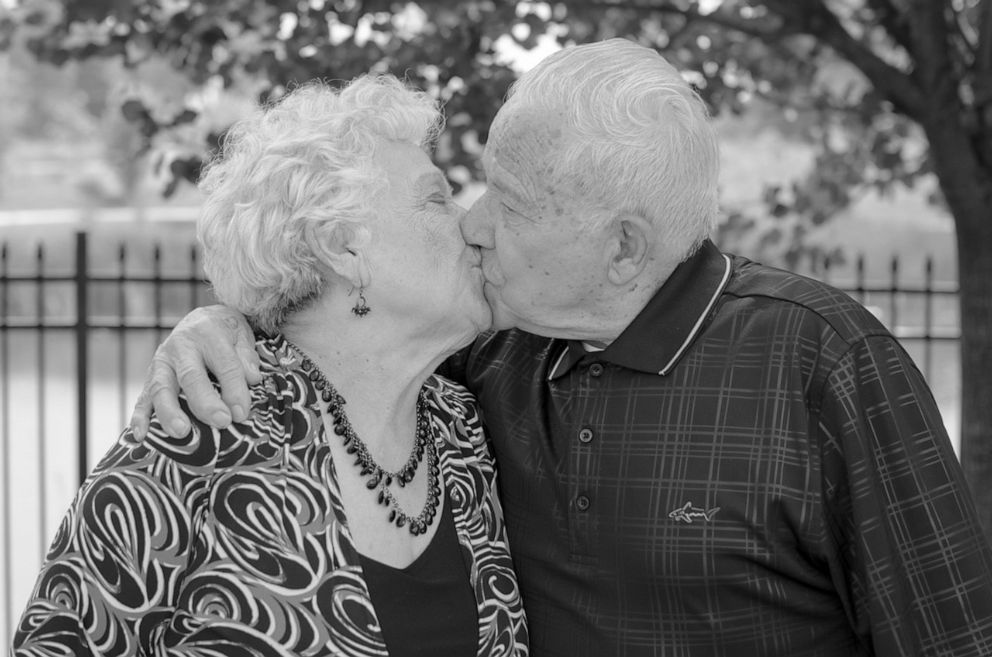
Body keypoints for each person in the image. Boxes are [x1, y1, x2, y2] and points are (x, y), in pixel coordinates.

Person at [130, 39, 992, 657]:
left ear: (620, 247)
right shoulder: (484, 364)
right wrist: (227, 318)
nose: (473, 221)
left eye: (511, 201)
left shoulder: (821, 362)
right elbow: (345, 340)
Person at [11, 75, 528, 657]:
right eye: (437, 198)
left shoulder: (463, 426)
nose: (472, 225)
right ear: (343, 247)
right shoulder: (201, 437)